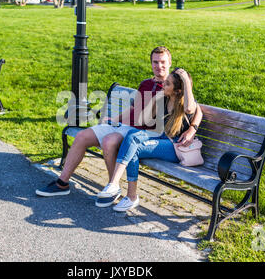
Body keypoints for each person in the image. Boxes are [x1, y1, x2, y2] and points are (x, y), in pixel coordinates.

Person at [36, 47, 202, 208]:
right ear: (151, 63)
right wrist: (112, 120)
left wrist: (192, 128)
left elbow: (196, 108)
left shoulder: (173, 89)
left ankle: (112, 186)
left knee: (109, 142)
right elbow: (134, 109)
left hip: (142, 132)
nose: (159, 66)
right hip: (124, 125)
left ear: (170, 62)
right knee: (81, 137)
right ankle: (62, 183)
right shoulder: (146, 84)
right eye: (155, 62)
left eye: (163, 62)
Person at [102, 68, 203, 212]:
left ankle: (129, 195)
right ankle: (116, 185)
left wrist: (186, 80)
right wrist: (156, 99)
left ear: (177, 91)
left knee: (134, 148)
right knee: (132, 135)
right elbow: (145, 119)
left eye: (167, 84)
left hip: (175, 145)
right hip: (160, 137)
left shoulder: (187, 104)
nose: (163, 85)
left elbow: (189, 109)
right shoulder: (164, 99)